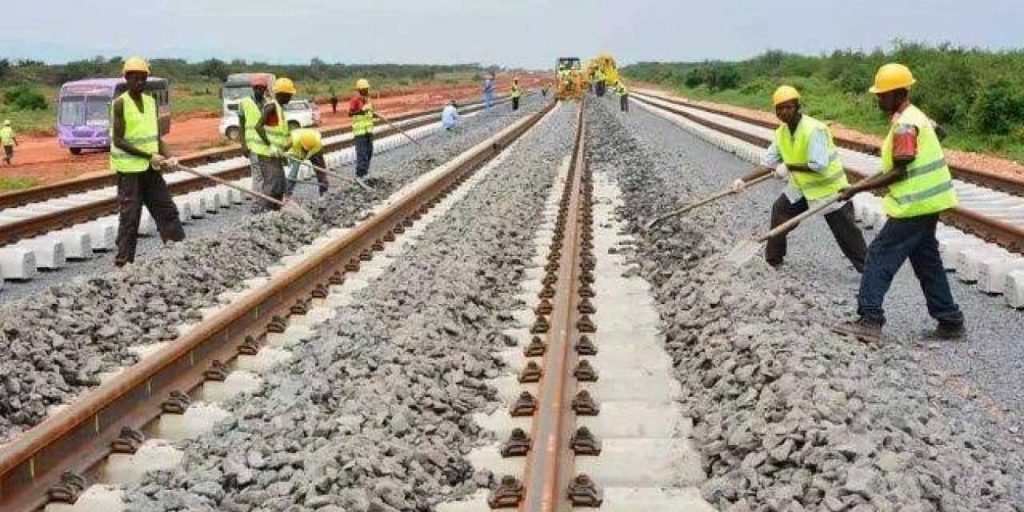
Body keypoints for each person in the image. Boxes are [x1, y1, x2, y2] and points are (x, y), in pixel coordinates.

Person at [833, 64, 964, 343]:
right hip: (928, 203)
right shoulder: (915, 116)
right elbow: (939, 134)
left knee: (879, 255)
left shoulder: (906, 124)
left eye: (882, 95)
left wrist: (857, 188)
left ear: (898, 93)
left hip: (914, 204)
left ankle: (870, 319)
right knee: (926, 260)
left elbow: (899, 171)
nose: (878, 99)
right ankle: (950, 320)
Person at [731, 85, 866, 272]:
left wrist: (789, 166)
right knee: (780, 211)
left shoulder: (814, 129)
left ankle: (869, 271)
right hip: (802, 188)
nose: (784, 112)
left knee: (847, 234)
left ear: (797, 107)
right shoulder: (782, 133)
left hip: (829, 190)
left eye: (788, 107)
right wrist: (743, 180)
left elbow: (819, 165)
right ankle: (773, 261)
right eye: (779, 108)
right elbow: (767, 164)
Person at [109, 57, 185, 267]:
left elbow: (156, 138)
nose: (139, 82)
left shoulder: (151, 103)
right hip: (130, 173)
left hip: (151, 170)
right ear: (126, 78)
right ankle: (124, 263)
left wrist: (169, 156)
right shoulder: (120, 104)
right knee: (130, 218)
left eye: (143, 78)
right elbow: (118, 140)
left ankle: (179, 252)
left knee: (167, 210)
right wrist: (149, 156)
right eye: (135, 78)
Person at [252, 77, 296, 212]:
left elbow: (279, 135)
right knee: (272, 184)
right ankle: (263, 212)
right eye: (289, 95)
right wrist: (270, 146)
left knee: (280, 184)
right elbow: (258, 126)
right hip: (267, 154)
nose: (291, 98)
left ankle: (275, 212)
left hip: (275, 155)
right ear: (282, 94)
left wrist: (284, 151)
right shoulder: (271, 106)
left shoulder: (279, 109)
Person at [237, 75, 268, 194]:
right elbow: (241, 125)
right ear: (253, 88)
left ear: (265, 89)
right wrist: (243, 144)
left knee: (266, 174)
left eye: (261, 88)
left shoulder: (268, 104)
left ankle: (265, 198)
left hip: (266, 146)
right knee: (257, 175)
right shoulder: (244, 103)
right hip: (253, 146)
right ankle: (258, 199)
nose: (259, 91)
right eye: (256, 88)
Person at [285, 128, 329, 197]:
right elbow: (296, 153)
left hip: (314, 150)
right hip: (299, 148)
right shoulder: (295, 140)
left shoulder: (318, 145)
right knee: (294, 170)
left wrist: (306, 157)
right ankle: (287, 193)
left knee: (320, 170)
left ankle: (324, 190)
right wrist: (299, 158)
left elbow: (311, 153)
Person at [349, 78, 375, 178]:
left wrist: (374, 114)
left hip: (369, 131)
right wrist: (361, 112)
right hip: (360, 132)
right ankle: (360, 175)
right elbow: (350, 113)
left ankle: (365, 173)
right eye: (365, 89)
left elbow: (370, 112)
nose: (367, 90)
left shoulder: (368, 99)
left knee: (369, 153)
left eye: (367, 88)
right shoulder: (355, 100)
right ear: (360, 90)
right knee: (362, 154)